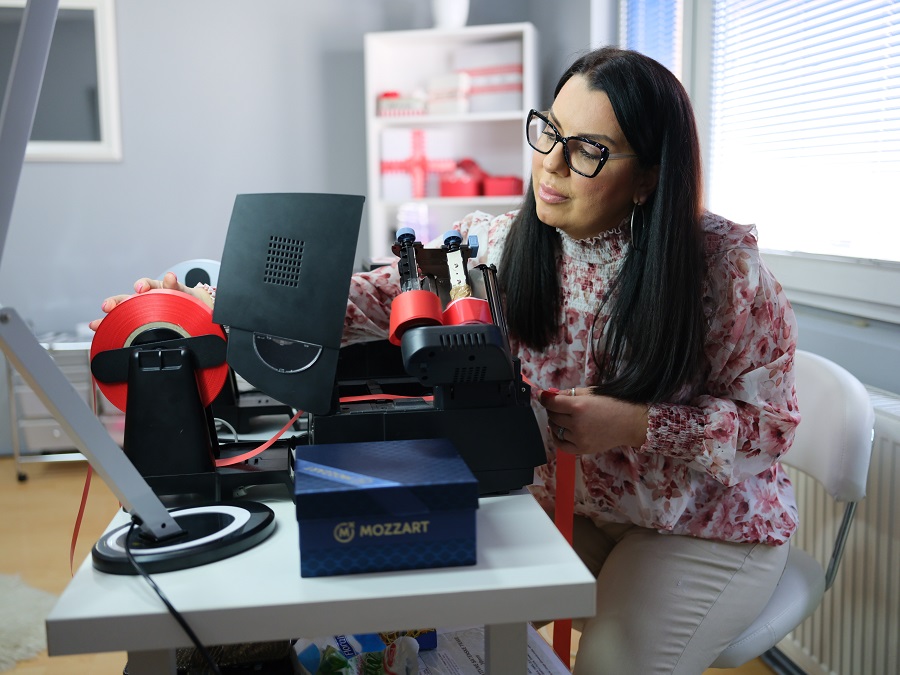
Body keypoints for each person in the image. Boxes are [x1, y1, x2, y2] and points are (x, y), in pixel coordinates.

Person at [91, 47, 800, 674]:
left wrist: (638, 425)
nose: (551, 164)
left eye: (588, 150)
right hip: (570, 506)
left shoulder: (724, 274)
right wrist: (201, 305)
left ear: (647, 177)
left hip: (702, 525)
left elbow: (771, 428)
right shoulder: (495, 246)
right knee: (422, 626)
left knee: (609, 667)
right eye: (550, 132)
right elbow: (365, 298)